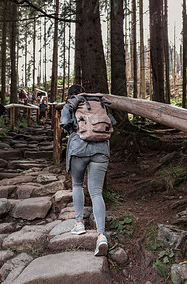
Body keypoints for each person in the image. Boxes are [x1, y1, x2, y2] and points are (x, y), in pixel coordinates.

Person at [60, 84, 116, 256]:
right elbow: (112, 122)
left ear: (70, 95)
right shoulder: (99, 103)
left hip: (79, 149)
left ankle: (79, 224)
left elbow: (65, 124)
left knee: (77, 185)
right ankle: (101, 235)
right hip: (101, 150)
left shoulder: (70, 104)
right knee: (96, 192)